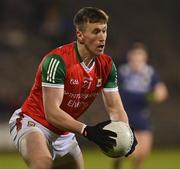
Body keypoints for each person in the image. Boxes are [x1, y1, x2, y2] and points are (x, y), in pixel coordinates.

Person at [9, 7, 137, 169]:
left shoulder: (107, 65)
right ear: (80, 35)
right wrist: (87, 130)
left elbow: (115, 108)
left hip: (64, 131)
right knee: (43, 164)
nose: (102, 37)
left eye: (104, 31)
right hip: (34, 122)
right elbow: (52, 113)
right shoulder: (57, 61)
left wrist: (126, 133)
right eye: (96, 31)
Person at [112, 42, 168, 169]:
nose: (137, 61)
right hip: (125, 115)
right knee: (131, 151)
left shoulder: (149, 73)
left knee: (144, 152)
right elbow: (115, 92)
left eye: (140, 58)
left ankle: (126, 162)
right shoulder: (122, 72)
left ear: (145, 59)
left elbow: (161, 91)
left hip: (142, 115)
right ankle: (118, 160)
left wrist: (155, 95)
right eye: (134, 58)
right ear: (129, 57)